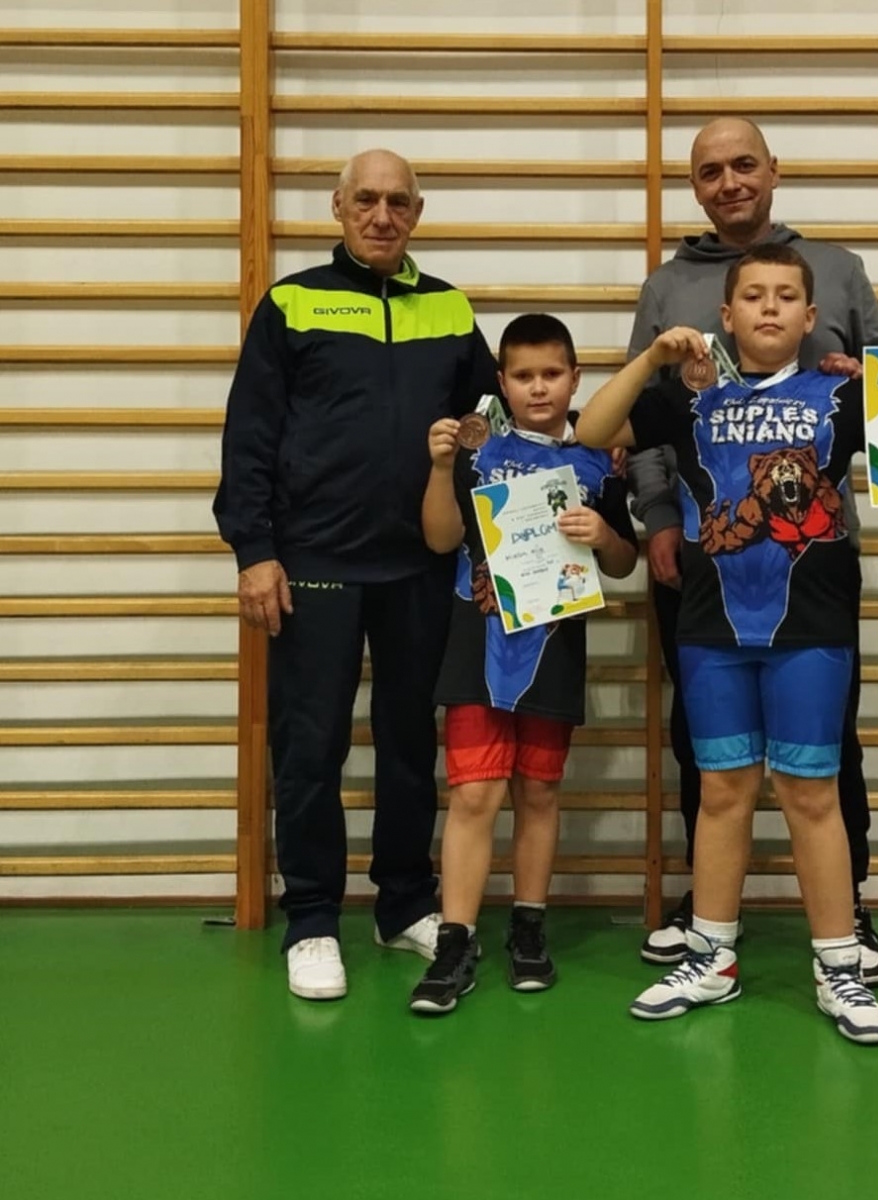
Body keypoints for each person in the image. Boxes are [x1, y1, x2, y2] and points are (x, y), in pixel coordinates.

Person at [627, 117, 878, 979]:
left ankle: (850, 912)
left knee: (827, 744)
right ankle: (709, 918)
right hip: (701, 552)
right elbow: (641, 420)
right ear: (694, 186)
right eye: (710, 171)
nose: (729, 181)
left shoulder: (838, 269)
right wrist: (659, 519)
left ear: (774, 170)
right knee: (704, 745)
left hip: (811, 561)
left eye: (744, 164)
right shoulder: (666, 286)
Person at [577, 244, 878, 1043]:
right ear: (725, 315)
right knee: (722, 791)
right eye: (753, 295)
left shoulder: (839, 392)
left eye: (786, 295)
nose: (769, 307)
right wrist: (652, 356)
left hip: (812, 625)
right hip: (711, 624)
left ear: (811, 315)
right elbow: (591, 429)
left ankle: (838, 965)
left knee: (811, 794)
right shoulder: (688, 396)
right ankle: (711, 956)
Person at [213, 150, 498, 1000]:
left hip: (421, 566)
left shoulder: (449, 308)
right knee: (311, 747)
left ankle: (402, 901)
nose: (382, 215)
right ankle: (311, 919)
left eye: (398, 202)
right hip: (315, 563)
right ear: (338, 207)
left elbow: (492, 429)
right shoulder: (292, 302)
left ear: (418, 212)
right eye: (366, 200)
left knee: (410, 744)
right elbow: (250, 434)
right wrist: (255, 551)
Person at [409, 314, 638, 1015]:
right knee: (474, 796)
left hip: (552, 647)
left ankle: (530, 926)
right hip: (476, 643)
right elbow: (439, 538)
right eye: (523, 375)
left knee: (538, 792)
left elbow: (623, 562)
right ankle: (455, 939)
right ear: (502, 383)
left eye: (552, 374)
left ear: (575, 379)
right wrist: (440, 467)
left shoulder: (598, 459)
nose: (538, 387)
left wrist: (604, 534)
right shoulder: (475, 449)